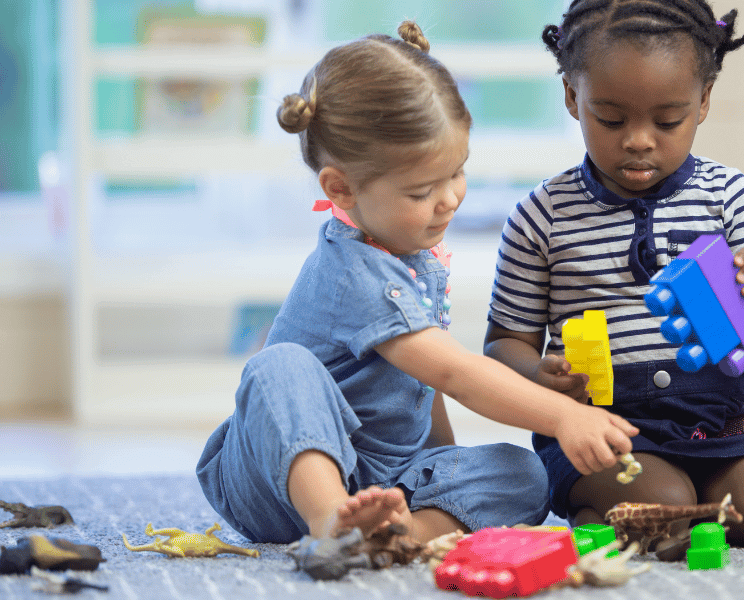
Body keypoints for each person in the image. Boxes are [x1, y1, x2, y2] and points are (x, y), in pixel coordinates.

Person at [196, 21, 638, 546]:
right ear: (341, 188)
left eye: (458, 172)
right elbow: (455, 372)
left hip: (383, 478)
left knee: (526, 474)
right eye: (423, 190)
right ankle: (331, 523)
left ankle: (401, 533)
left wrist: (442, 468)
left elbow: (424, 385)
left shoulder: (414, 255)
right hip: (276, 479)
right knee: (279, 365)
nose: (451, 198)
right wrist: (563, 415)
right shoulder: (353, 270)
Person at [484, 2, 744, 552]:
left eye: (667, 120)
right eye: (611, 119)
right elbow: (503, 344)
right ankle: (597, 503)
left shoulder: (731, 198)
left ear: (703, 101)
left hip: (721, 421)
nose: (639, 140)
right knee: (664, 514)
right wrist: (542, 377)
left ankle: (700, 499)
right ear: (571, 96)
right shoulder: (543, 215)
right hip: (602, 428)